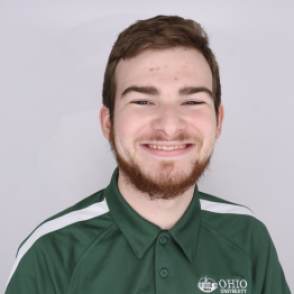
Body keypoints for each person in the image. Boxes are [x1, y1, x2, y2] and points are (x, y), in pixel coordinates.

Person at [5, 15, 291, 294]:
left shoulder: (249, 239)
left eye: (192, 101)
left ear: (218, 121)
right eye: (143, 100)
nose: (169, 126)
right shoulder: (49, 254)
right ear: (108, 122)